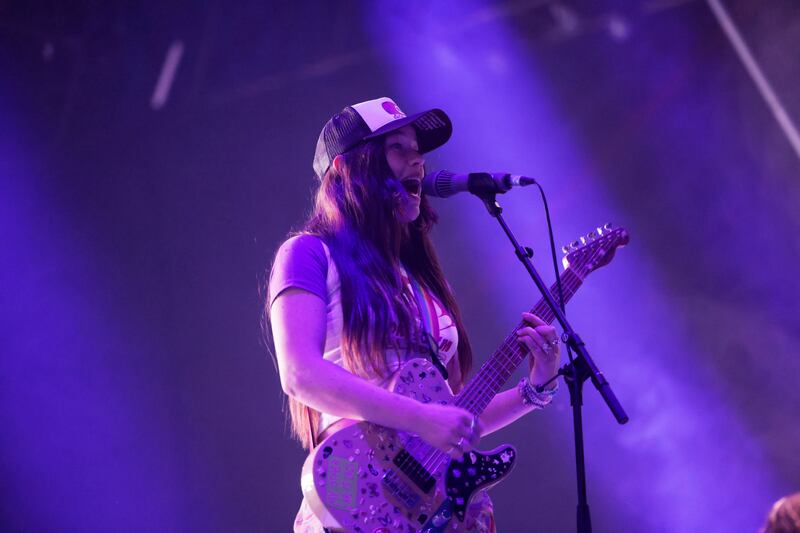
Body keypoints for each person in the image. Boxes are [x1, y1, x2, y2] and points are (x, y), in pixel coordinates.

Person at [265, 96, 561, 532]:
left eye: (418, 150)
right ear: (353, 167)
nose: (418, 160)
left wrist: (536, 388)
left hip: (436, 508)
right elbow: (300, 375)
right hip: (355, 497)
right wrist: (422, 418)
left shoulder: (421, 283)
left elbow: (452, 417)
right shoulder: (309, 254)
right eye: (398, 148)